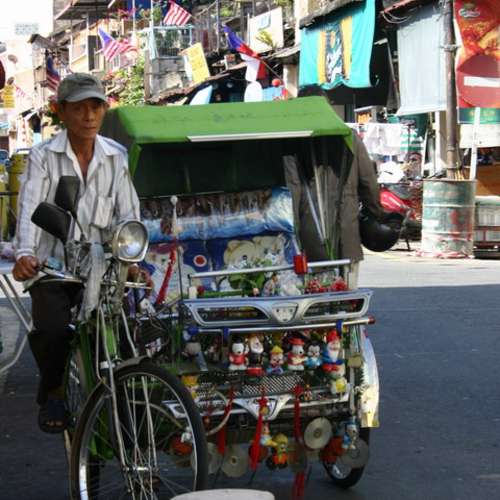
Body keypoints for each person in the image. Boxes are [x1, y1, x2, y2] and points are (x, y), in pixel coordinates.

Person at [13, 73, 141, 433]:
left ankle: (128, 407)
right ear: (61, 112)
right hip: (54, 265)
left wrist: (132, 259)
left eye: (95, 107)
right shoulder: (43, 156)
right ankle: (53, 392)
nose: (89, 116)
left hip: (102, 265)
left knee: (124, 336)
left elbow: (128, 215)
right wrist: (25, 254)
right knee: (53, 328)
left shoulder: (116, 156)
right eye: (79, 108)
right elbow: (30, 207)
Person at [285, 86, 385, 289]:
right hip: (347, 234)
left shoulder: (293, 140)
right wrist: (376, 213)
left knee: (314, 293)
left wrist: (290, 230)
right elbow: (368, 182)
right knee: (347, 294)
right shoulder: (349, 137)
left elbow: (293, 188)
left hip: (309, 234)